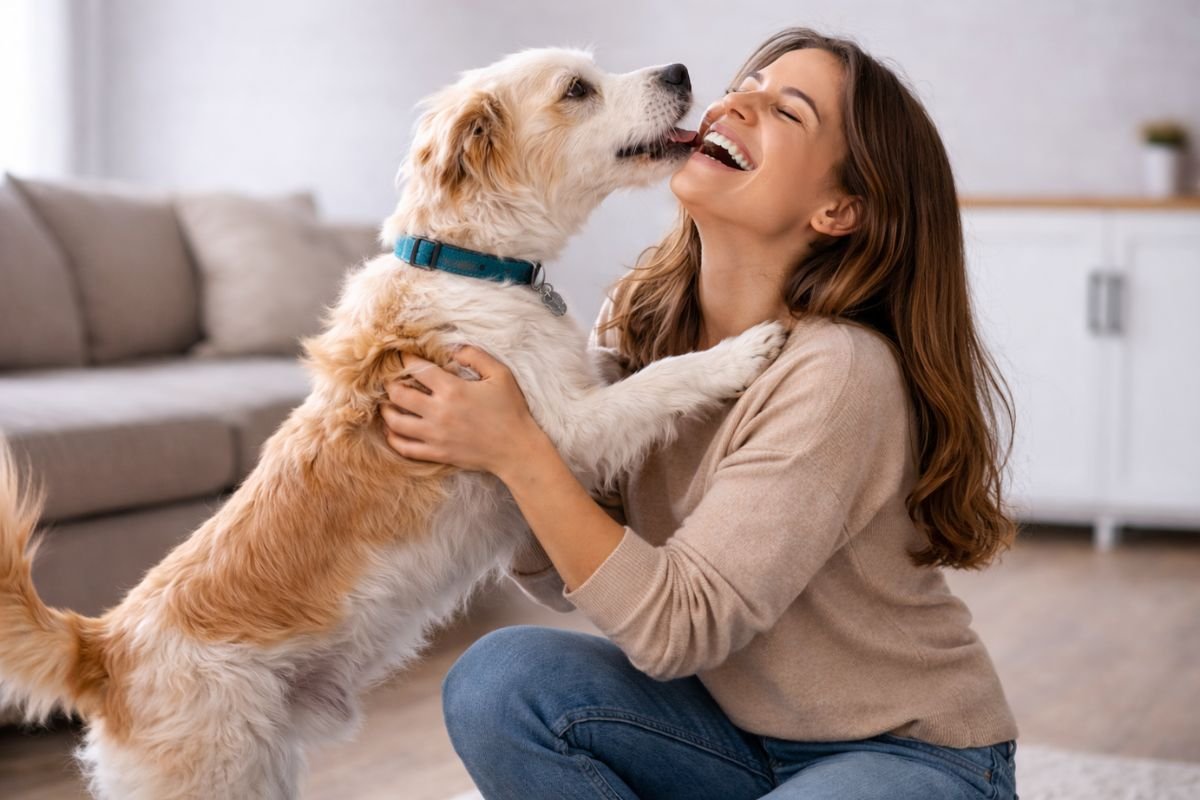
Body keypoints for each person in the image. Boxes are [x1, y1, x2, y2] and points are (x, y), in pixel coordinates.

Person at [380, 26, 1020, 800]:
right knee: (500, 679)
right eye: (746, 83)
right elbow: (578, 574)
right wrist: (484, 460)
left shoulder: (839, 372)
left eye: (788, 111)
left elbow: (678, 627)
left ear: (839, 209)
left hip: (905, 752)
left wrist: (520, 450)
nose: (736, 103)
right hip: (722, 736)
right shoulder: (637, 316)